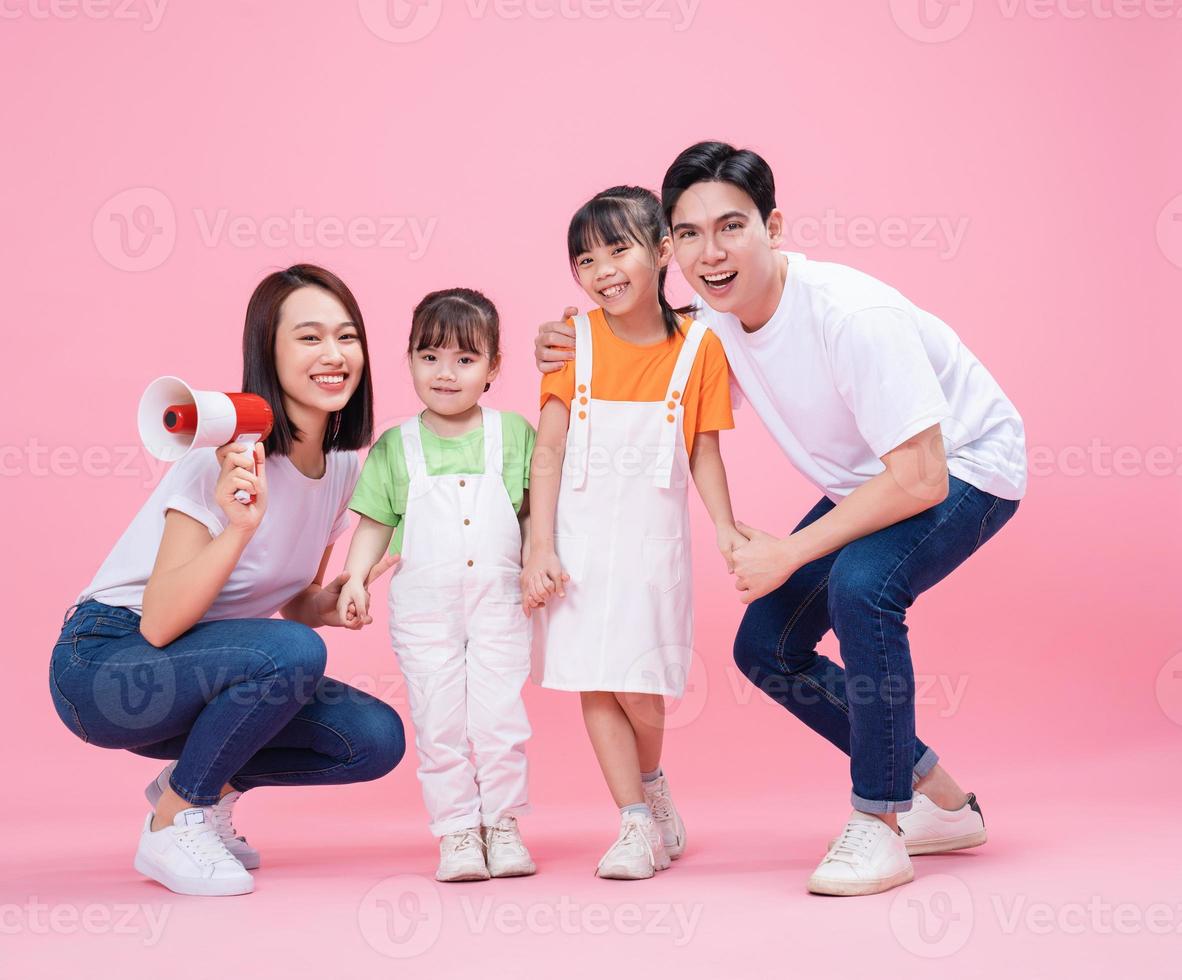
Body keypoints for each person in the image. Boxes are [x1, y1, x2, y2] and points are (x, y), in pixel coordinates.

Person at [535, 144, 1027, 896]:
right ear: (670, 246)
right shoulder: (712, 321)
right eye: (690, 234)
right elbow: (644, 348)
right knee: (767, 646)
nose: (712, 252)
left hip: (964, 466)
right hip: (868, 481)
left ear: (775, 226)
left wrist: (789, 551)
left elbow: (922, 477)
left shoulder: (853, 316)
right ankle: (944, 805)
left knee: (862, 589)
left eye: (732, 227)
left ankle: (879, 826)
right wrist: (569, 340)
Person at [49, 265, 406, 897]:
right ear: (267, 351)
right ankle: (172, 822)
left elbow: (292, 601)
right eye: (309, 338)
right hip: (104, 664)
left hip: (200, 672)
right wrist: (237, 525)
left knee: (375, 739)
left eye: (347, 337)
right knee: (293, 654)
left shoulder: (346, 467)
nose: (333, 355)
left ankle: (195, 790)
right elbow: (158, 621)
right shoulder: (218, 459)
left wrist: (326, 604)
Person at [524, 186, 742, 880]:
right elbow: (549, 449)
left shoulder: (699, 346)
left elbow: (704, 448)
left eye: (618, 248)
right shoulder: (573, 340)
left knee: (641, 685)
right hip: (577, 543)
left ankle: (652, 789)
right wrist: (539, 545)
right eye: (585, 258)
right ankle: (634, 823)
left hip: (654, 545)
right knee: (594, 678)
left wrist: (728, 530)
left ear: (662, 250)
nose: (602, 269)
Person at [339, 288, 538, 883]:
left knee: (499, 719)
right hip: (426, 612)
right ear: (408, 360)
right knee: (439, 719)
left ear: (493, 367)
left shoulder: (514, 434)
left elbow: (531, 514)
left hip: (502, 603)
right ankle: (456, 831)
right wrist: (354, 578)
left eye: (465, 359)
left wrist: (537, 563)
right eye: (429, 357)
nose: (445, 373)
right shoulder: (396, 447)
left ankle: (502, 824)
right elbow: (376, 523)